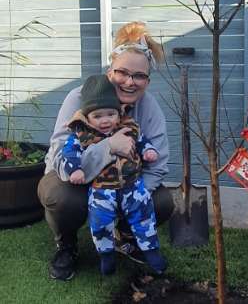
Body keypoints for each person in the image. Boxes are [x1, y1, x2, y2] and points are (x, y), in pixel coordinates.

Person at [38, 21, 174, 281]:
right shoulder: (79, 98)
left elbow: (159, 163)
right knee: (63, 198)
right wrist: (109, 147)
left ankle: (126, 234)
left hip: (125, 181)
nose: (130, 82)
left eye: (139, 76)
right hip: (74, 180)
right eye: (122, 72)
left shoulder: (149, 107)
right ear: (110, 71)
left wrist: (130, 194)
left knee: (162, 202)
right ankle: (66, 245)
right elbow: (58, 157)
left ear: (148, 80)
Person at [62, 74, 167, 275]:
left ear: (118, 113)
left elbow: (142, 140)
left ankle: (152, 252)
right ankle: (107, 255)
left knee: (144, 216)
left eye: (110, 114)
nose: (105, 121)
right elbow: (69, 153)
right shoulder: (81, 134)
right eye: (98, 116)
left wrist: (148, 151)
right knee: (100, 222)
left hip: (132, 186)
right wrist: (75, 169)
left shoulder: (129, 127)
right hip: (102, 189)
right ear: (87, 117)